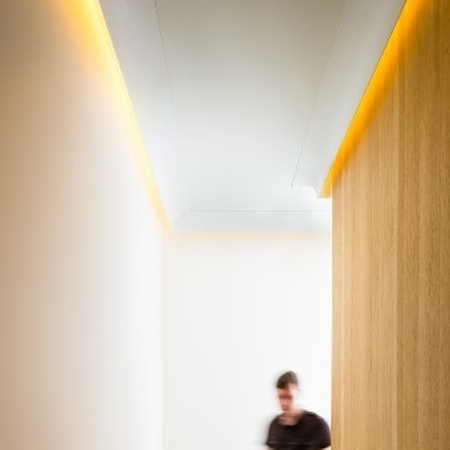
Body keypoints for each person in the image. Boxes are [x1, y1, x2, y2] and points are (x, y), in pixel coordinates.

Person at [265, 371, 331, 450]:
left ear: (298, 392)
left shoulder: (317, 425)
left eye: (289, 397)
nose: (284, 402)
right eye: (281, 397)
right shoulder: (274, 425)